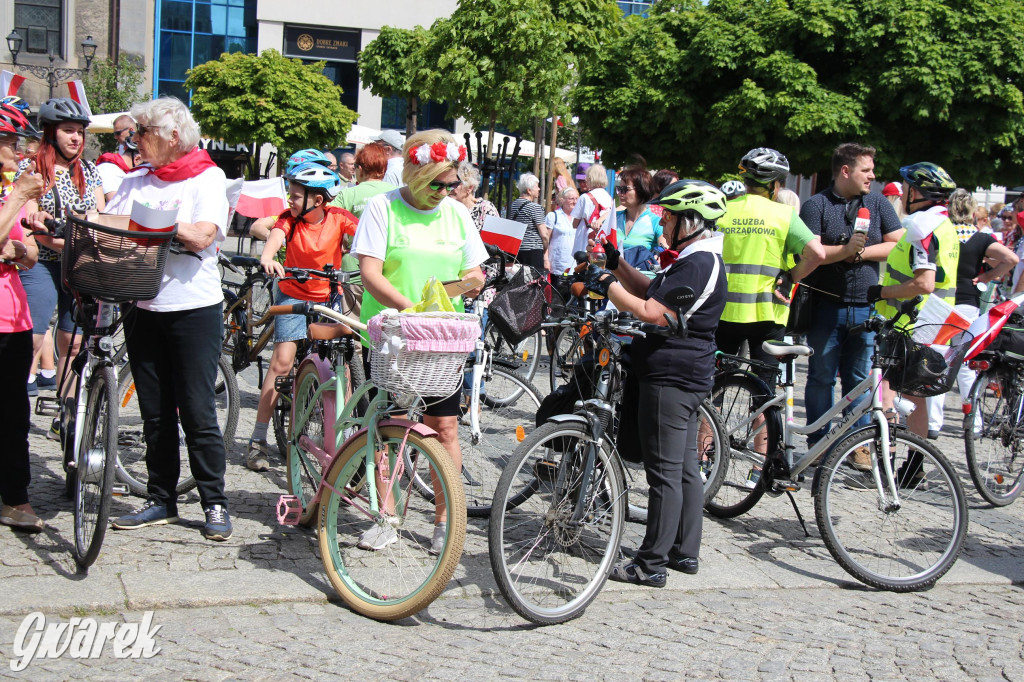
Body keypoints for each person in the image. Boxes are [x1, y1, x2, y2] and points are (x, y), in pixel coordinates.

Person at [72, 96, 233, 540]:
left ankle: (214, 503)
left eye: (143, 132)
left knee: (197, 410)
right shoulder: (137, 177)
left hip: (193, 307)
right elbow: (106, 218)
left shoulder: (207, 176)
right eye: (135, 132)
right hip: (141, 302)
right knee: (154, 412)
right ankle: (160, 498)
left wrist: (157, 224)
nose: (135, 140)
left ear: (173, 136)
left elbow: (203, 235)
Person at [586, 180, 728, 587]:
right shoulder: (692, 258)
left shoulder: (699, 263)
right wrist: (617, 265)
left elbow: (651, 311)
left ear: (692, 221)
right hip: (684, 373)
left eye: (668, 215)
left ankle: (649, 565)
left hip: (672, 376)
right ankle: (683, 550)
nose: (661, 220)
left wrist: (607, 287)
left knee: (663, 474)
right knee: (683, 469)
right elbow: (654, 291)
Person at [352, 128, 487, 553]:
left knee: (444, 427)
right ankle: (386, 515)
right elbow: (370, 274)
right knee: (386, 426)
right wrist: (413, 308)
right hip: (391, 334)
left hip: (440, 340)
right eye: (436, 183)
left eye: (451, 185)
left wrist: (469, 284)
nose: (444, 192)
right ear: (415, 171)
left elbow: (475, 271)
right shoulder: (382, 208)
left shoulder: (456, 214)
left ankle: (446, 522)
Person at [247, 163, 355, 471]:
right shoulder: (287, 220)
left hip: (328, 296)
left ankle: (345, 435)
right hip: (293, 294)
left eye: (295, 196)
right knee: (282, 361)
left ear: (317, 201)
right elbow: (274, 242)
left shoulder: (339, 218)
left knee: (342, 366)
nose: (290, 201)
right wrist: (268, 259)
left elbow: (367, 238)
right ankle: (258, 440)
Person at [798, 143, 903, 451]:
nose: (872, 176)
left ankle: (854, 447)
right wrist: (843, 252)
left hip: (865, 307)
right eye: (866, 170)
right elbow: (811, 251)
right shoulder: (816, 205)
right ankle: (818, 444)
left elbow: (896, 243)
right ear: (846, 171)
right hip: (825, 306)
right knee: (821, 378)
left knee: (859, 380)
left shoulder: (878, 203)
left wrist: (859, 255)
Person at [17, 98, 103, 433]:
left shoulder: (90, 170)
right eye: (69, 131)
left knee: (75, 342)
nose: (76, 138)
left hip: (79, 263)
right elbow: (34, 231)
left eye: (80, 132)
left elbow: (100, 216)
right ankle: (14, 408)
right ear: (51, 133)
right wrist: (65, 237)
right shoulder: (34, 170)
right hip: (44, 263)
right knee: (33, 338)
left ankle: (66, 415)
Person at [867, 162, 960, 450]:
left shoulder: (922, 227)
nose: (903, 192)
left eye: (907, 187)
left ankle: (884, 465)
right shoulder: (945, 225)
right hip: (934, 322)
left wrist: (882, 291)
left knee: (887, 394)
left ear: (918, 192)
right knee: (916, 396)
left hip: (910, 322)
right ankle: (914, 466)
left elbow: (924, 283)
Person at [717, 148, 824, 386]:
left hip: (723, 312)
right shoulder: (784, 215)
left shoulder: (723, 210)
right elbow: (818, 253)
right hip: (767, 314)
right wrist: (791, 276)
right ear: (775, 185)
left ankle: (712, 423)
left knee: (713, 390)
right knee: (763, 392)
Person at [925, 188, 1018, 437]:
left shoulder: (940, 235)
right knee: (965, 363)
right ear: (973, 210)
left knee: (935, 360)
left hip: (940, 302)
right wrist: (987, 275)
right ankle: (974, 423)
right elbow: (1011, 259)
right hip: (968, 302)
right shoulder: (981, 239)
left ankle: (932, 424)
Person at [0, 125, 44, 533]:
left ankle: (15, 498)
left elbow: (29, 250)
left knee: (13, 413)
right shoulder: (12, 193)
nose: (17, 148)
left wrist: (16, 249)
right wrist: (18, 197)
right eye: (9, 140)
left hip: (13, 316)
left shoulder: (7, 191)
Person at [614, 165, 666, 256]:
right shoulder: (614, 218)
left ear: (642, 190)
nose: (620, 194)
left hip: (640, 270)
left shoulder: (656, 221)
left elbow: (664, 247)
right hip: (610, 269)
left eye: (625, 189)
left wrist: (659, 251)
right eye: (619, 189)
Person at [506, 172, 548, 272]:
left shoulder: (512, 206)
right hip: (533, 252)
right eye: (537, 187)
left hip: (515, 252)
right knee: (533, 284)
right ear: (529, 190)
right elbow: (545, 235)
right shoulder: (535, 207)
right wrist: (545, 249)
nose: (539, 189)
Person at [571, 163, 612, 253]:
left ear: (590, 179)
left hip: (584, 243)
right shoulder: (609, 197)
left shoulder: (585, 197)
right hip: (601, 243)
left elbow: (574, 224)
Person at [95, 114, 138, 201]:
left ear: (131, 130)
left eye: (118, 133)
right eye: (114, 134)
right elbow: (114, 201)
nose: (115, 137)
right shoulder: (107, 167)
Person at [451, 162, 498, 231]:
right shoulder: (447, 208)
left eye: (455, 184)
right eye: (449, 184)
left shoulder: (484, 209)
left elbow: (496, 238)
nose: (450, 188)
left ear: (469, 188)